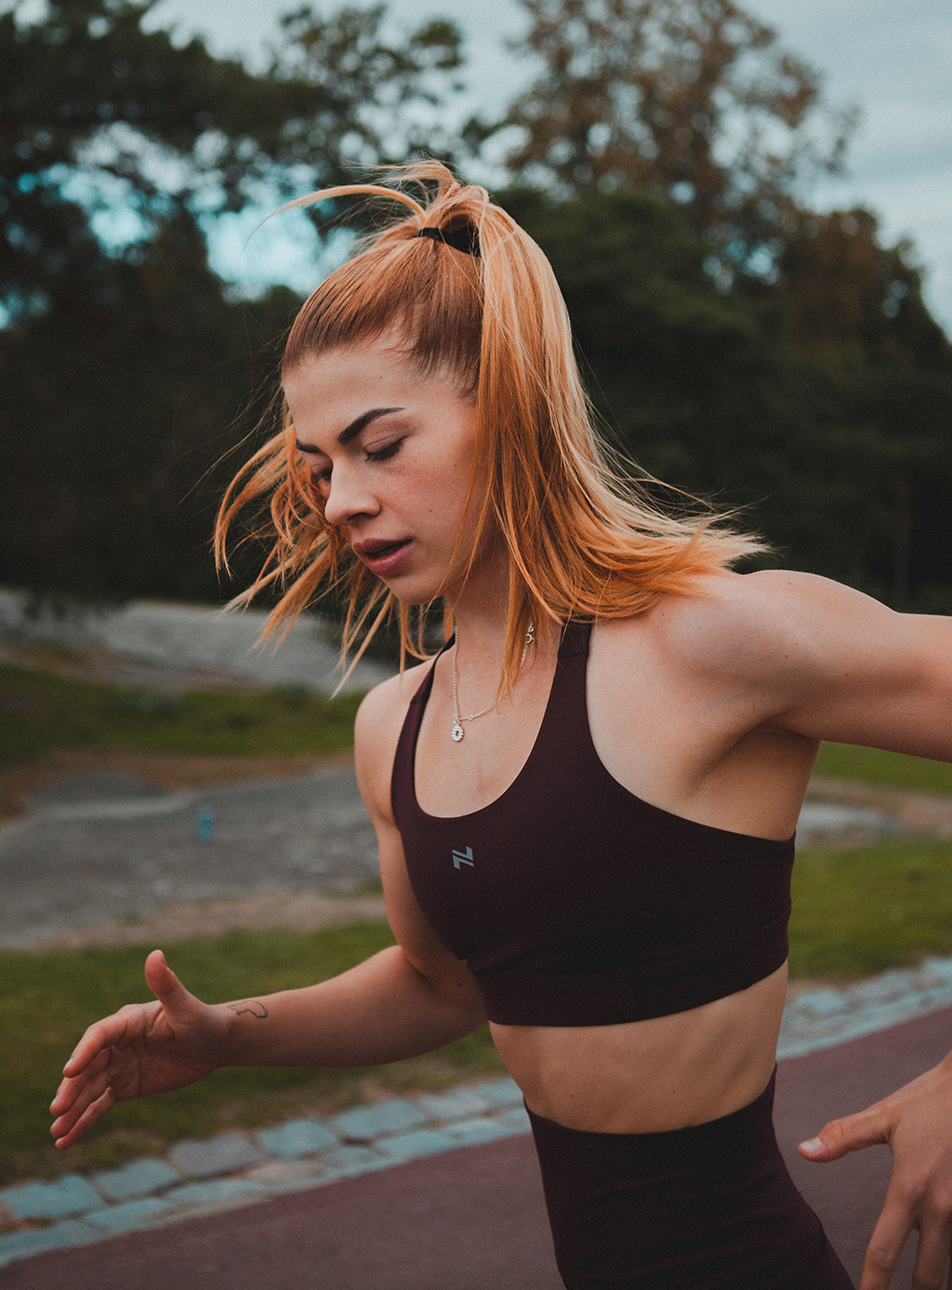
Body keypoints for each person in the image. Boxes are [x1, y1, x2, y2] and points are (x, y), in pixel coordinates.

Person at [51, 164, 952, 1289]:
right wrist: (231, 1034)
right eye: (320, 467)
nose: (340, 501)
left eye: (381, 446)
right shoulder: (393, 727)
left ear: (511, 407)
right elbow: (448, 983)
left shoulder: (712, 641)